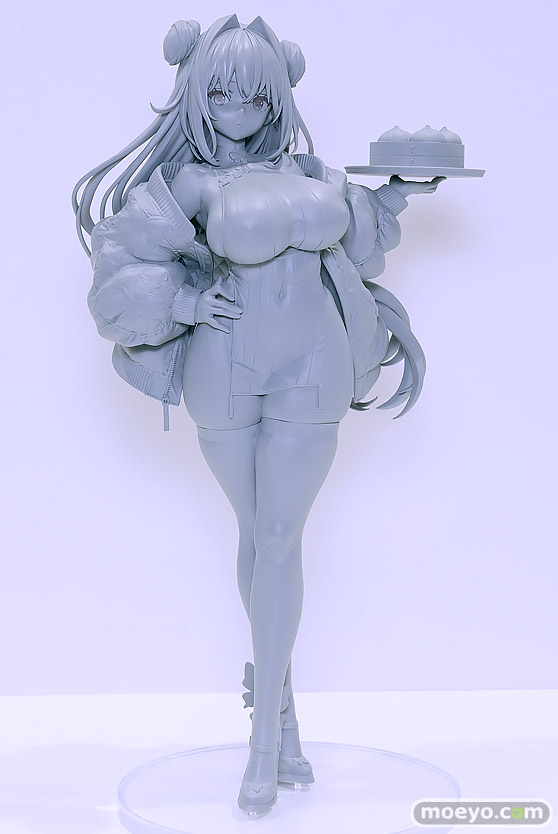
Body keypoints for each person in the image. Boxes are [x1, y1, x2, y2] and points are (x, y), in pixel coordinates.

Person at [73, 14, 444, 815]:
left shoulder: (312, 172)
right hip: (226, 368)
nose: (238, 108)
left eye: (255, 94)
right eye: (221, 92)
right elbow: (118, 270)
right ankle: (284, 716)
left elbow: (362, 240)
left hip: (314, 365)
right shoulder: (187, 184)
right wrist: (183, 302)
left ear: (279, 94)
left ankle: (265, 746)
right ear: (195, 93)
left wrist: (399, 193)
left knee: (277, 537)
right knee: (257, 534)